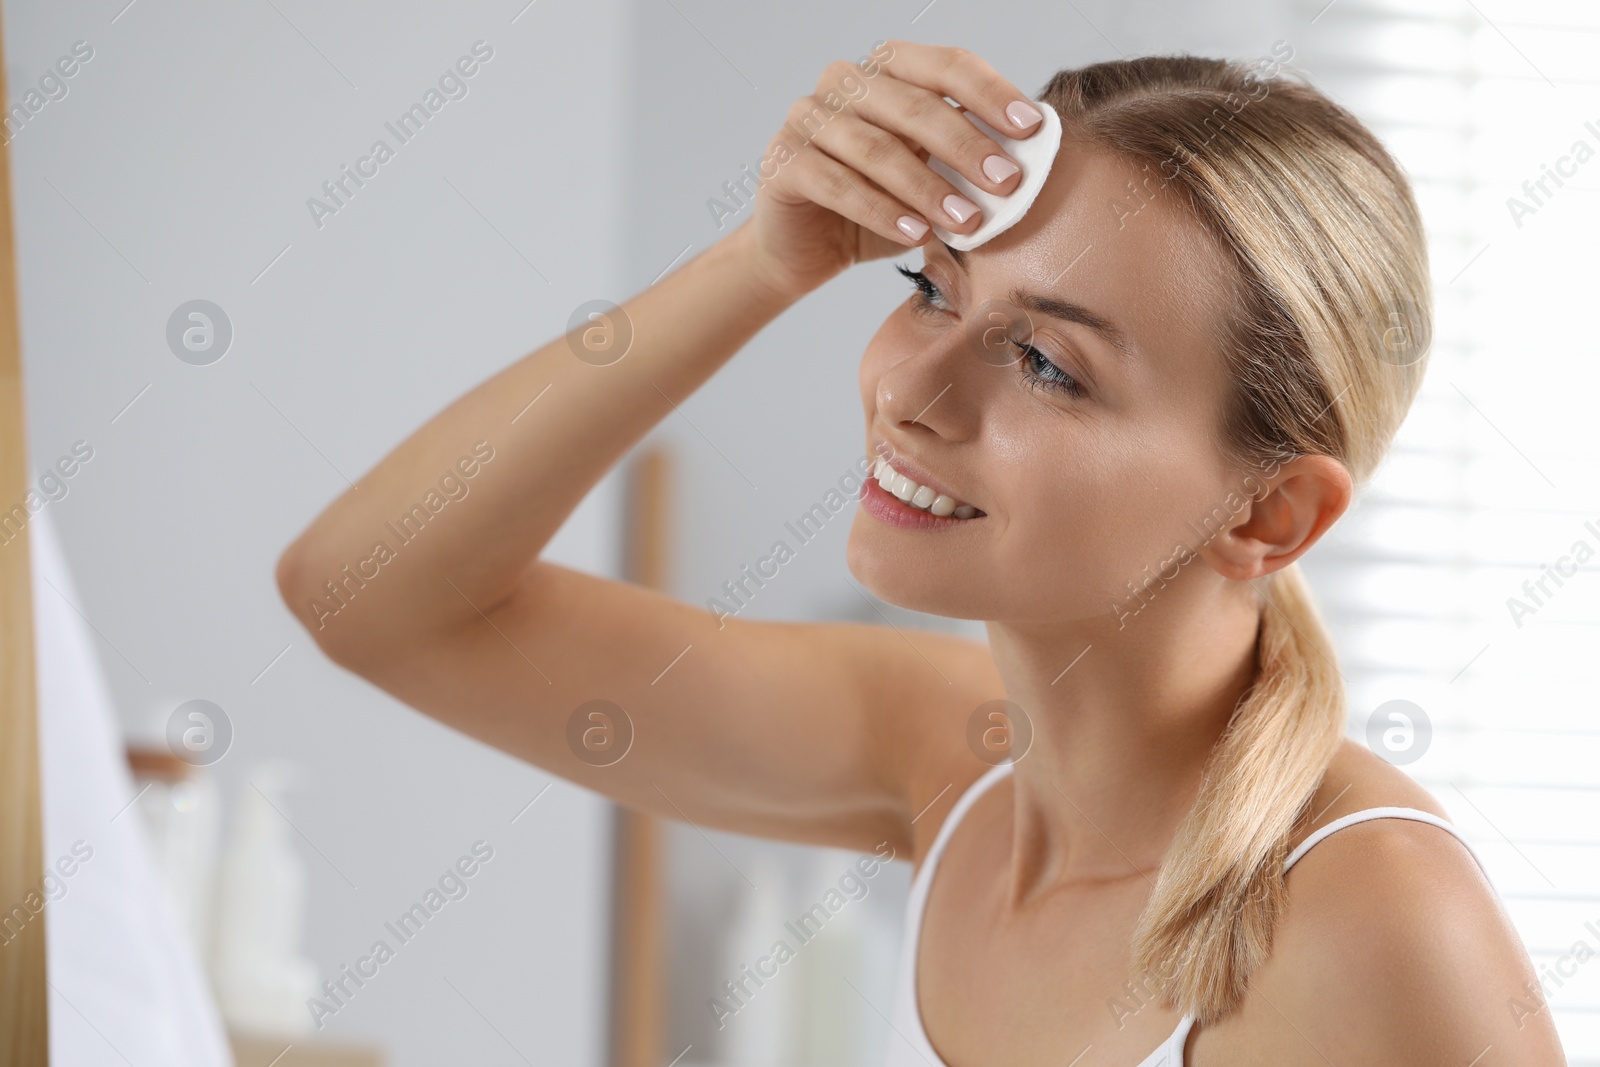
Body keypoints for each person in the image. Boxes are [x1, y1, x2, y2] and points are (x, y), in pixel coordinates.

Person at [274, 40, 1567, 1065]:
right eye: (932, 291)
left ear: (1267, 517)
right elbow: (369, 598)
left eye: (1048, 364)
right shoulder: (950, 767)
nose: (914, 394)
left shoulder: (1362, 917)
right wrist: (763, 260)